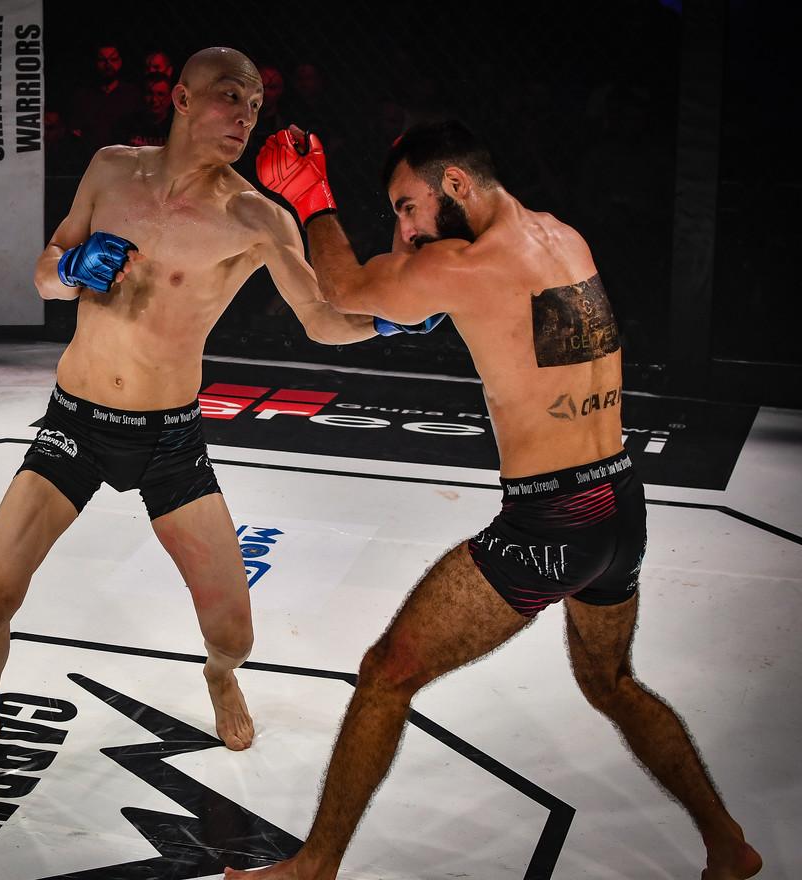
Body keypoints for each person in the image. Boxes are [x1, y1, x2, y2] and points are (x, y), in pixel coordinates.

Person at [225, 121, 762, 880]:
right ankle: (727, 844)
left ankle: (313, 868)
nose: (407, 228)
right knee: (611, 683)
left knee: (386, 675)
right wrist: (413, 260)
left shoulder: (467, 263)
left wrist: (312, 199)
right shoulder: (562, 239)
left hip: (553, 521)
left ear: (454, 185)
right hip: (620, 502)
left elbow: (341, 289)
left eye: (408, 206)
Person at [0, 47, 443, 799]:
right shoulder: (110, 169)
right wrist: (70, 270)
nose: (245, 117)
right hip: (75, 426)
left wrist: (391, 323)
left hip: (169, 439)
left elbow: (321, 319)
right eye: (230, 97)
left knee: (235, 635)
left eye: (255, 107)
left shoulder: (257, 216)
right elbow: (45, 272)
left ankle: (219, 677)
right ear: (180, 98)